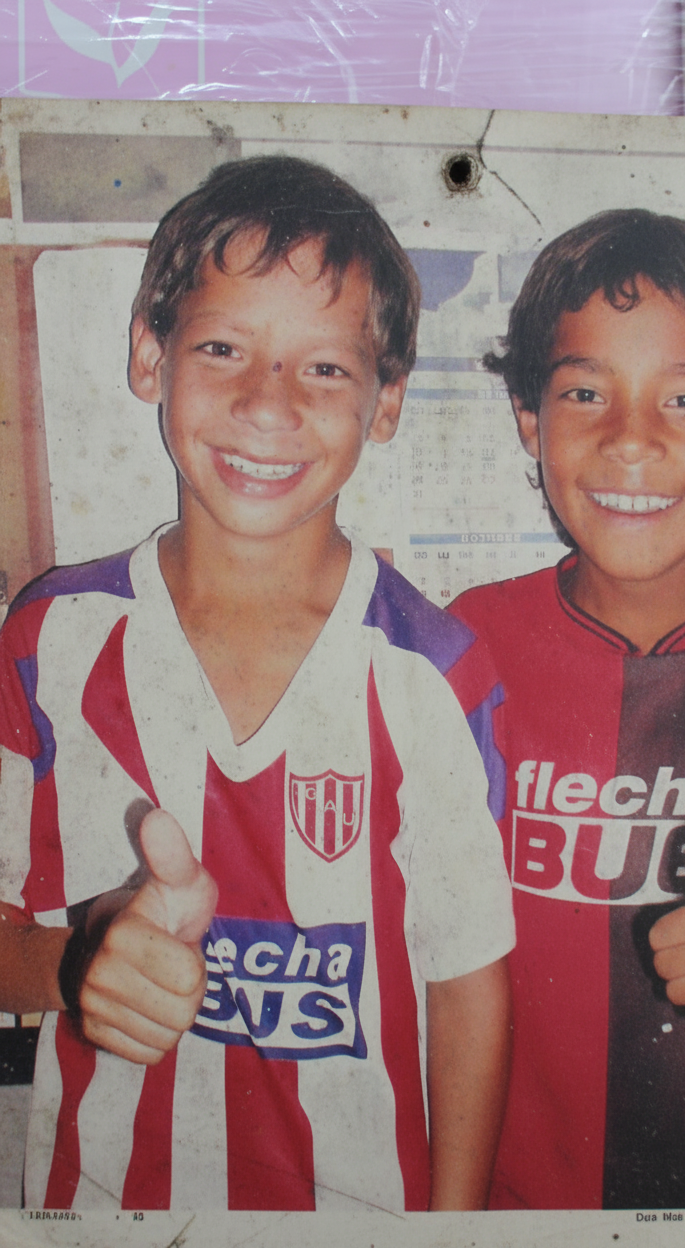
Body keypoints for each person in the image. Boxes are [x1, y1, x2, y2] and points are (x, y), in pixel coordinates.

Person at [0, 155, 514, 1213]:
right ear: (150, 355)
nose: (265, 403)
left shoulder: (430, 671)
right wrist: (78, 965)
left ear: (385, 403)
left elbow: (467, 984)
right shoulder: (51, 638)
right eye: (224, 348)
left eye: (322, 367)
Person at [450, 209, 685, 1210]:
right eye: (585, 393)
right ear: (530, 424)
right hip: (506, 1207)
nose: (629, 439)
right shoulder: (465, 645)